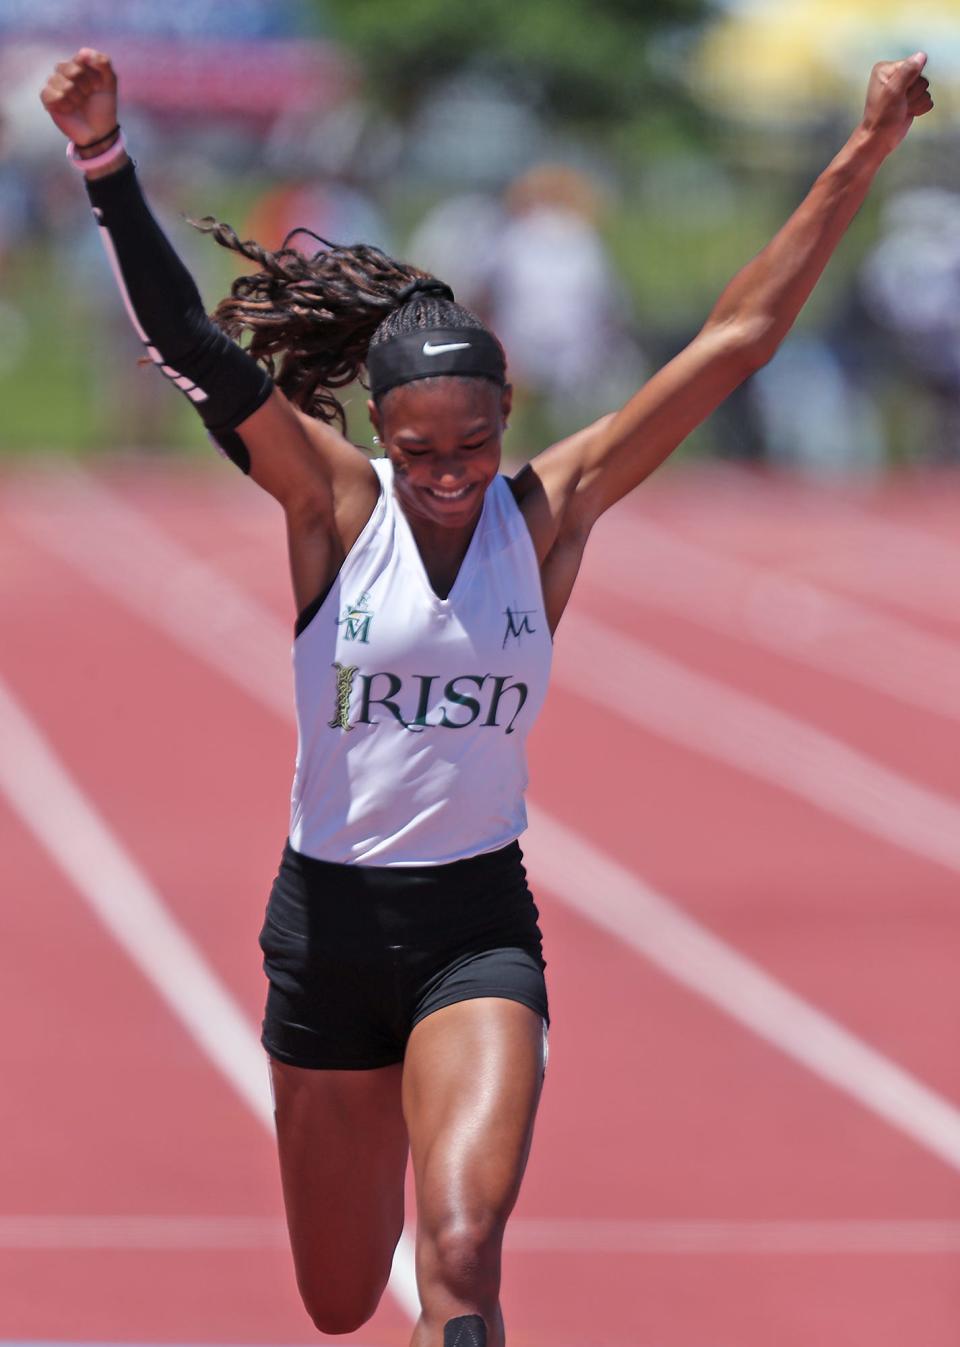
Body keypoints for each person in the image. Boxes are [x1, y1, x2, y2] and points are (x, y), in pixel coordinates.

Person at [40, 47, 932, 1347]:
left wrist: (863, 150)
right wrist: (102, 156)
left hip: (475, 930)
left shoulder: (552, 513)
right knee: (343, 1300)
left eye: (474, 447)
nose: (450, 476)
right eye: (419, 453)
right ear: (381, 435)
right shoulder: (335, 512)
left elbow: (736, 340)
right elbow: (186, 342)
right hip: (327, 935)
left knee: (460, 1260)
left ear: (508, 422)